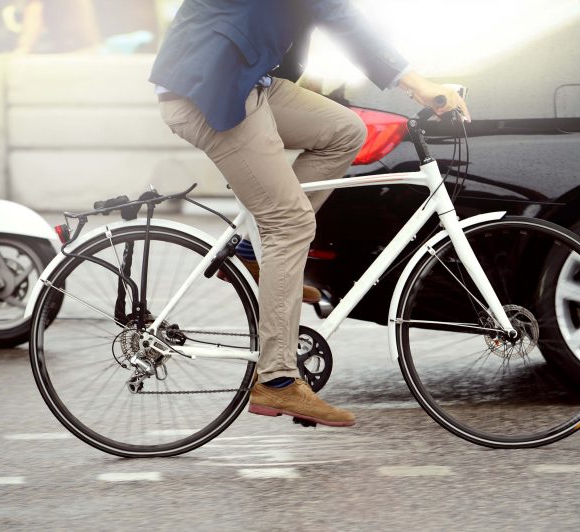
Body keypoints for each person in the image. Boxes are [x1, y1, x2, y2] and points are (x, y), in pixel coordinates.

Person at [150, 0, 469, 428]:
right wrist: (417, 84)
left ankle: (252, 251)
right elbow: (337, 13)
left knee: (345, 130)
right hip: (211, 88)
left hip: (246, 79)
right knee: (290, 223)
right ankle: (277, 379)